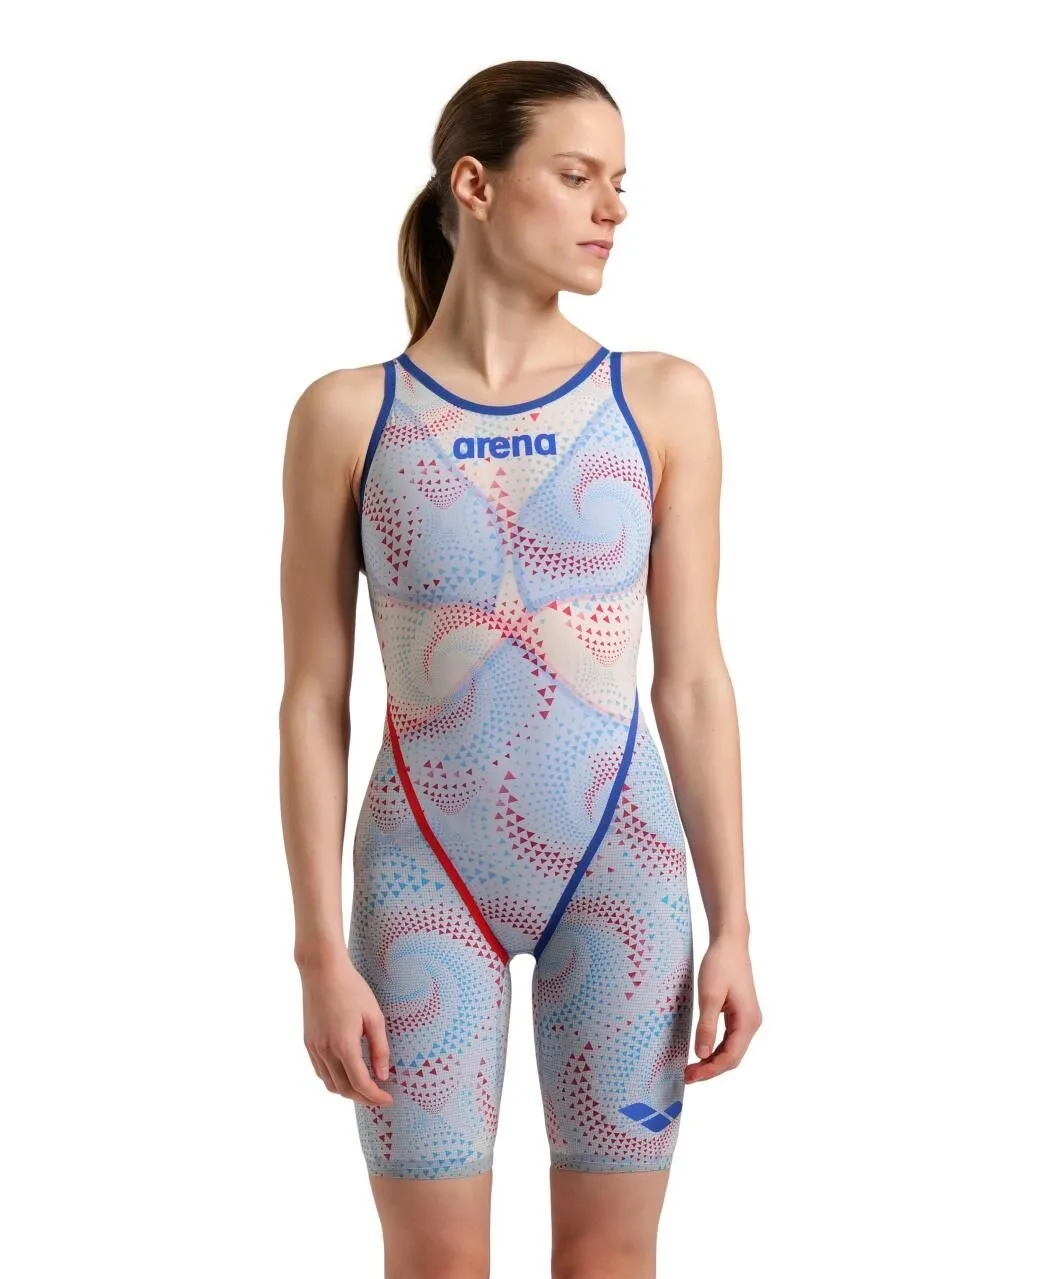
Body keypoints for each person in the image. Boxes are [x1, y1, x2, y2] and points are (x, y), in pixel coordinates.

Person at [279, 58, 761, 1279]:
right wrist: (317, 947)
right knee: (436, 1265)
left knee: (608, 1261)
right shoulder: (348, 414)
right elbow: (313, 698)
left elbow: (693, 680)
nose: (614, 208)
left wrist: (736, 922)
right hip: (420, 878)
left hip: (623, 869)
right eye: (579, 175)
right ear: (476, 184)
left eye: (621, 181)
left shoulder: (662, 399)